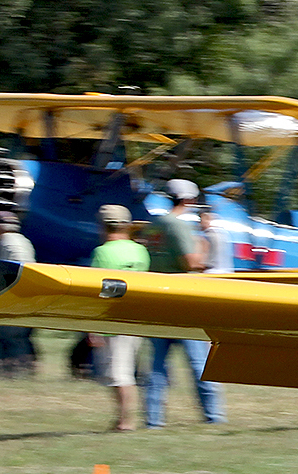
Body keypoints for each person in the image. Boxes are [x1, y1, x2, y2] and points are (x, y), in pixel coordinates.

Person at [141, 179, 225, 426]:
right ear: (189, 200)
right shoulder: (178, 227)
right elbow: (191, 263)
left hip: (157, 302)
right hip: (183, 302)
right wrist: (205, 250)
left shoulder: (152, 226)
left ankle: (153, 420)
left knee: (156, 366)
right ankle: (213, 417)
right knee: (200, 363)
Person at [89, 205, 149, 431]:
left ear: (103, 226)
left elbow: (97, 289)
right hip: (136, 318)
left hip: (112, 319)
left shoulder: (102, 252)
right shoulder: (140, 251)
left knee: (118, 374)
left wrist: (92, 325)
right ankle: (121, 418)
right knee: (125, 370)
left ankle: (126, 421)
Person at [0, 210, 37, 375]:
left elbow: (3, 274)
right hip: (29, 298)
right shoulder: (23, 241)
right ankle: (23, 372)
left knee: (6, 337)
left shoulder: (5, 242)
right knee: (19, 338)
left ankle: (13, 374)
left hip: (15, 300)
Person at [197, 205, 235, 273]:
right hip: (227, 272)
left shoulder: (207, 234)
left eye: (200, 220)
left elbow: (200, 261)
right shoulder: (224, 233)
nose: (199, 223)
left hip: (211, 273)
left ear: (207, 218)